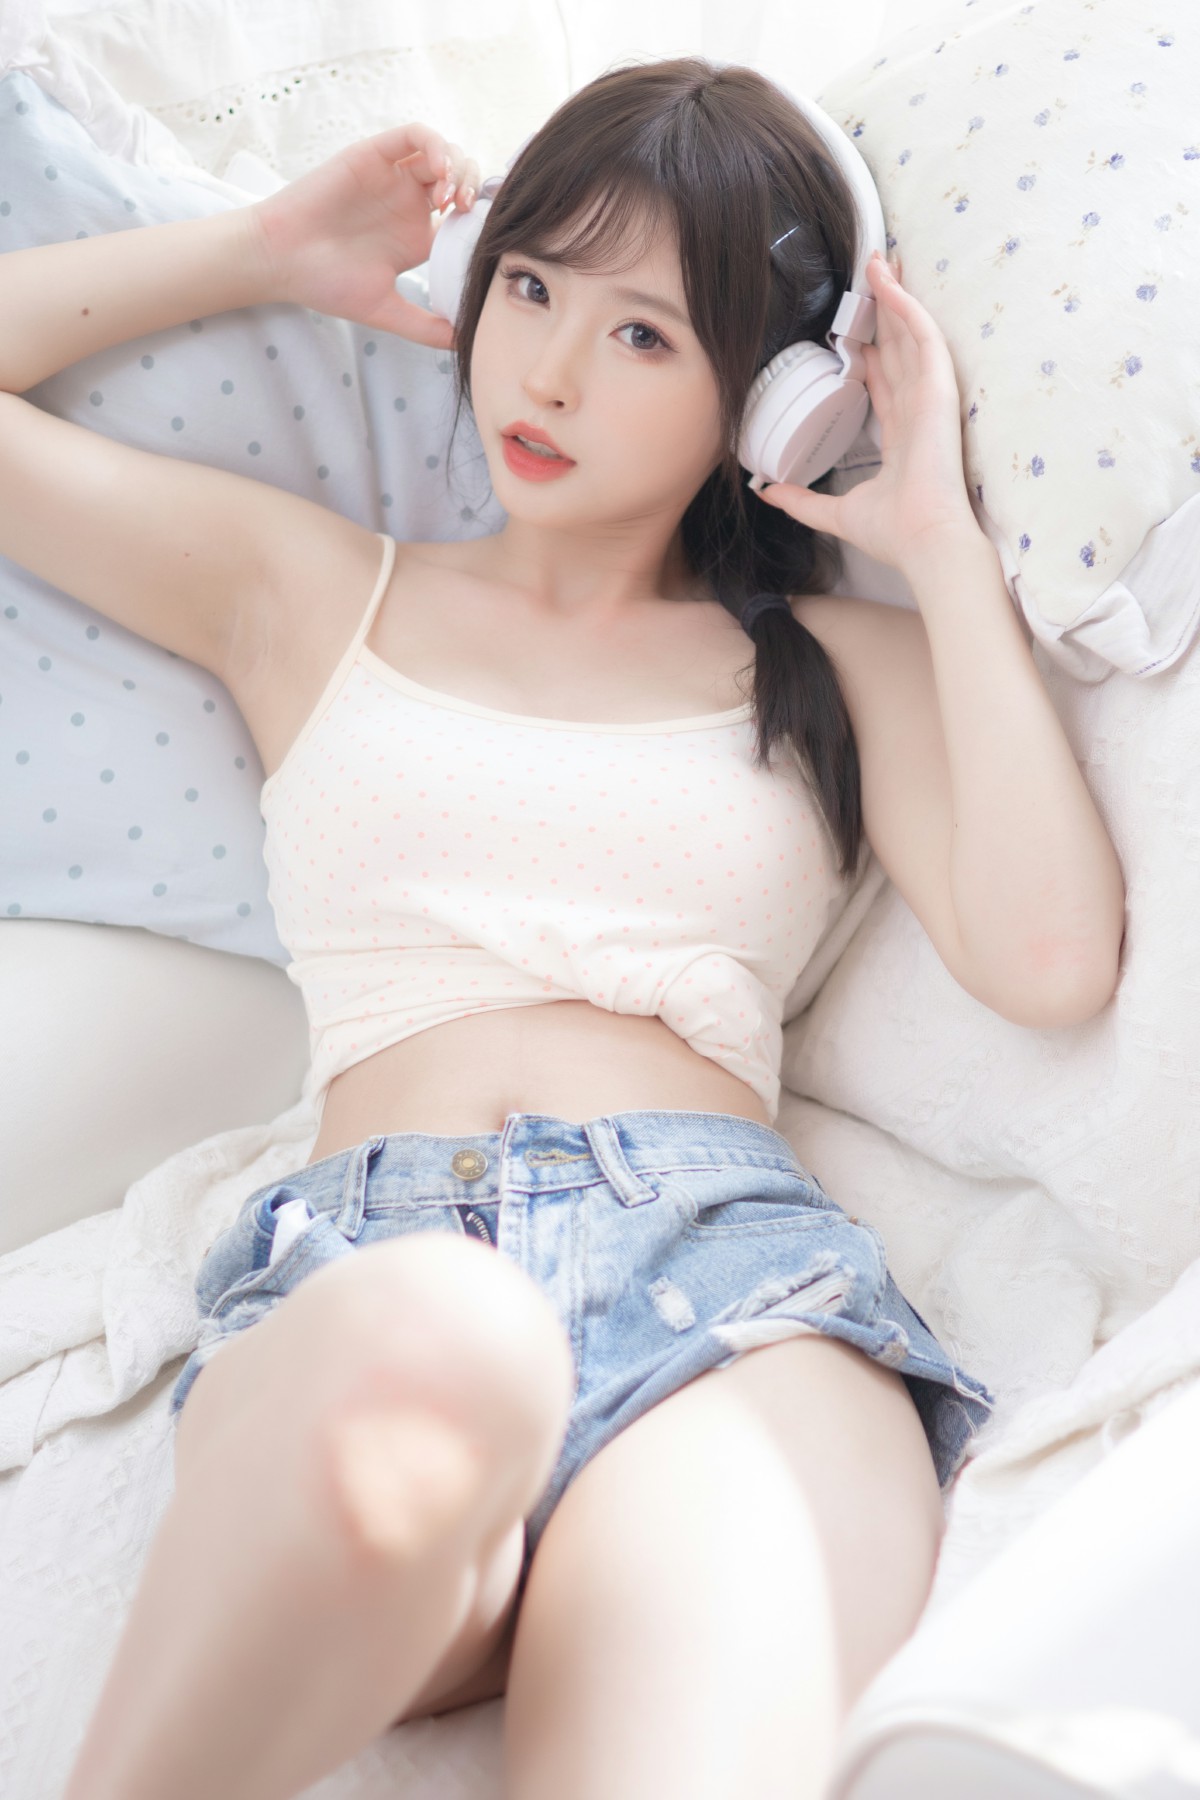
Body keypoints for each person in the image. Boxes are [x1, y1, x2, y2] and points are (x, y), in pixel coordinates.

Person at [0, 54, 1124, 1800]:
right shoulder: (311, 589)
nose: (546, 371)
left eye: (644, 334)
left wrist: (935, 539)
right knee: (445, 1340)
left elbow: (1051, 961)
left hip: (738, 1296)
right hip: (380, 1266)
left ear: (771, 403)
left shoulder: (833, 665)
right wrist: (265, 249)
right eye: (530, 287)